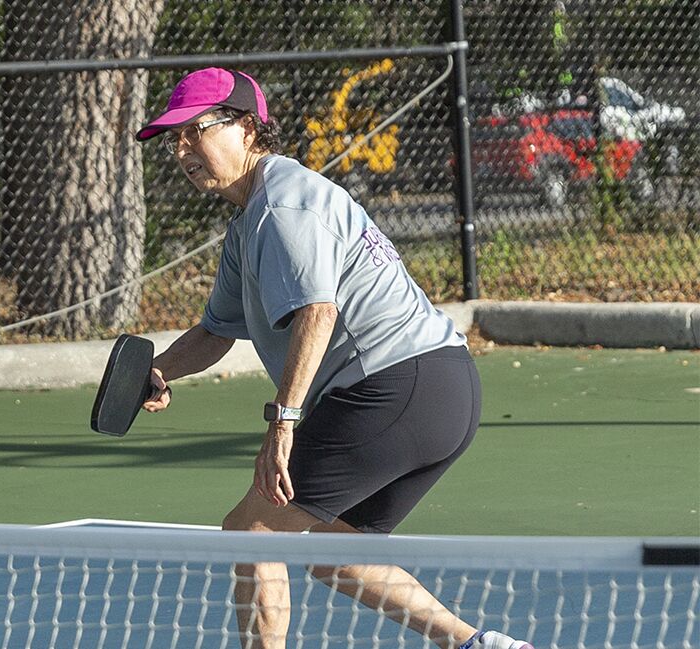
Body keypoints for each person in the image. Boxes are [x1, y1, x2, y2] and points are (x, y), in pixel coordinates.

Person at [133, 67, 533, 649]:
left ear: (246, 128)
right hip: (440, 388)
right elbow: (216, 332)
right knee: (331, 551)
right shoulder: (250, 223)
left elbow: (317, 312)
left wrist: (284, 421)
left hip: (395, 385)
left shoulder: (285, 205)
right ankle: (481, 646)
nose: (182, 150)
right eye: (176, 139)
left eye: (195, 131)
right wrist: (160, 368)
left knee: (252, 533)